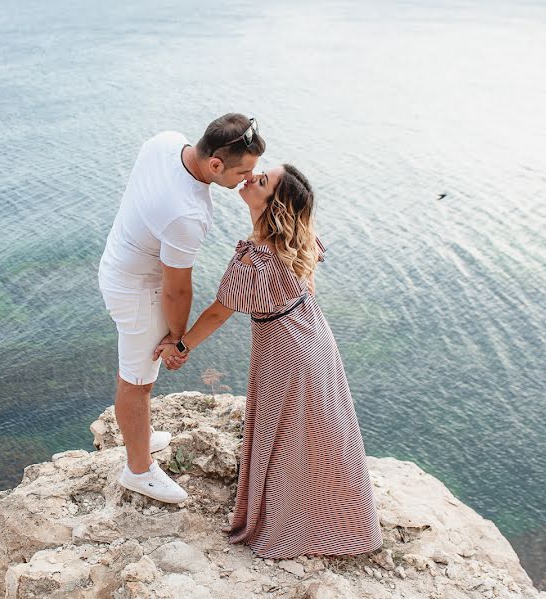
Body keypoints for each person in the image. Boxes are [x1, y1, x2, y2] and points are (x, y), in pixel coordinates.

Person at [158, 164, 384, 558]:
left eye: (261, 181)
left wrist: (181, 347)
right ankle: (343, 516)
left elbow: (218, 312)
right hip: (313, 333)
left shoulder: (256, 259)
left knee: (283, 437)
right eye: (258, 173)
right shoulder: (296, 239)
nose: (250, 178)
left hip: (285, 350)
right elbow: (308, 282)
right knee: (320, 432)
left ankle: (294, 523)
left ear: (273, 203)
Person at [98, 114, 266, 503]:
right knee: (135, 383)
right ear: (215, 165)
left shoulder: (165, 142)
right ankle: (138, 470)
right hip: (140, 289)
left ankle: (139, 435)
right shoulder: (188, 214)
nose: (246, 178)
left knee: (141, 375)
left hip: (117, 262)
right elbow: (177, 290)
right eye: (243, 171)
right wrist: (177, 339)